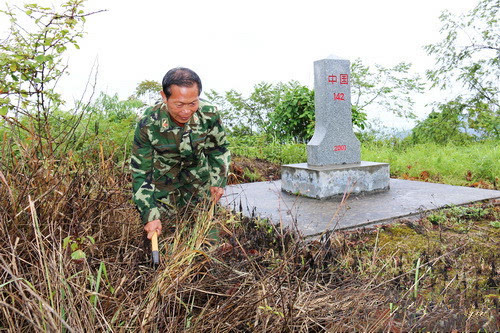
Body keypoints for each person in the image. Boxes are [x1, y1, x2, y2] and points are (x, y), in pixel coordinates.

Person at [131, 67, 230, 240]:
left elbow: (218, 150)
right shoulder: (148, 123)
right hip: (163, 186)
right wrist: (149, 213)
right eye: (179, 104)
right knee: (164, 239)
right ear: (164, 97)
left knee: (208, 239)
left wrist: (218, 181)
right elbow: (141, 172)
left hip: (199, 183)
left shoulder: (209, 114)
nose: (186, 111)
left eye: (193, 103)